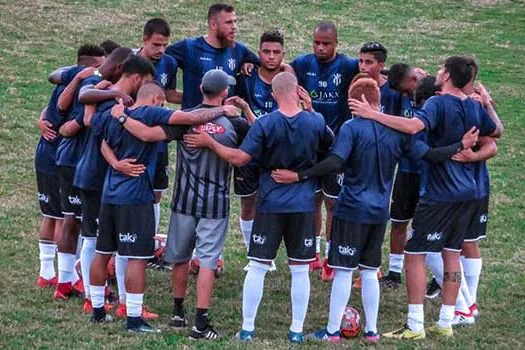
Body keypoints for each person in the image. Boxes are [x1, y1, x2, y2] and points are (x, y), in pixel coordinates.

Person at [271, 77, 478, 344]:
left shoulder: (352, 127)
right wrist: (459, 145)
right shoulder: (396, 132)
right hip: (380, 212)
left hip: (351, 210)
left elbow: (335, 161)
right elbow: (429, 155)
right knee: (369, 271)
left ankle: (333, 331)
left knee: (343, 270)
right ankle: (371, 331)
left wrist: (299, 176)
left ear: (360, 102)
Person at [349, 56, 503, 339]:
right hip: (468, 192)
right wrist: (485, 107)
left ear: (446, 76)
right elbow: (496, 131)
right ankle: (446, 321)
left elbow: (412, 128)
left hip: (440, 192)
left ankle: (415, 324)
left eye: (442, 68)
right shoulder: (472, 104)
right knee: (452, 253)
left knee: (415, 254)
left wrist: (372, 114)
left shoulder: (436, 103)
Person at [184, 72, 334, 344]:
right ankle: (296, 331)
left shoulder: (266, 124)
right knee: (300, 269)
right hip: (303, 205)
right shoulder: (316, 121)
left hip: (271, 204)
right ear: (298, 91)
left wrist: (210, 142)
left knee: (257, 266)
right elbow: (331, 151)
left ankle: (248, 329)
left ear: (274, 94)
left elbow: (240, 158)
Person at [290, 21, 359, 276]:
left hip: (337, 146)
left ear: (336, 43)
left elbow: (372, 77)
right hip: (309, 145)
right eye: (316, 42)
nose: (320, 47)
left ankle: (331, 255)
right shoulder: (302, 64)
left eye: (326, 43)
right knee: (311, 200)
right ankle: (313, 251)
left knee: (333, 203)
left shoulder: (349, 66)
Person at [35, 44, 105, 289]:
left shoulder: (71, 82)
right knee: (63, 217)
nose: (101, 71)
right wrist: (73, 124)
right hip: (56, 157)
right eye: (98, 66)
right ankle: (60, 275)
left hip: (55, 155)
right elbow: (64, 114)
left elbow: (52, 110)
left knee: (60, 216)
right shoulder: (79, 85)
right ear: (86, 67)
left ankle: (56, 275)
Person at [234, 30, 287, 270]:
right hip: (249, 149)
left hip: (277, 152)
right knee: (248, 203)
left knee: (271, 203)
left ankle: (267, 253)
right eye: (266, 51)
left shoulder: (288, 80)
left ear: (283, 54)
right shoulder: (246, 77)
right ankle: (252, 252)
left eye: (276, 52)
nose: (271, 57)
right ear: (259, 52)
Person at [380, 63, 426, 288]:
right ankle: (395, 272)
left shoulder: (432, 92)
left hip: (430, 171)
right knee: (398, 221)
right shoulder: (401, 95)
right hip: (406, 169)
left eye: (406, 89)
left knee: (426, 224)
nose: (406, 95)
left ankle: (436, 277)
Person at [165, 3, 259, 110]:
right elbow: (160, 56)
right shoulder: (190, 47)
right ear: (213, 25)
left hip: (224, 121)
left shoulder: (239, 50)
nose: (234, 27)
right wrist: (171, 89)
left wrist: (250, 63)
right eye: (228, 22)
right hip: (192, 122)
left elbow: (265, 64)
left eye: (235, 21)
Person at [136, 18, 180, 238]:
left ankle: (149, 245)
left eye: (164, 45)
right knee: (134, 189)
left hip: (159, 137)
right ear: (144, 40)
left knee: (156, 191)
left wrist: (201, 100)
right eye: (156, 45)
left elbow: (169, 94)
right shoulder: (129, 62)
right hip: (132, 136)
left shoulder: (169, 63)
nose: (161, 50)